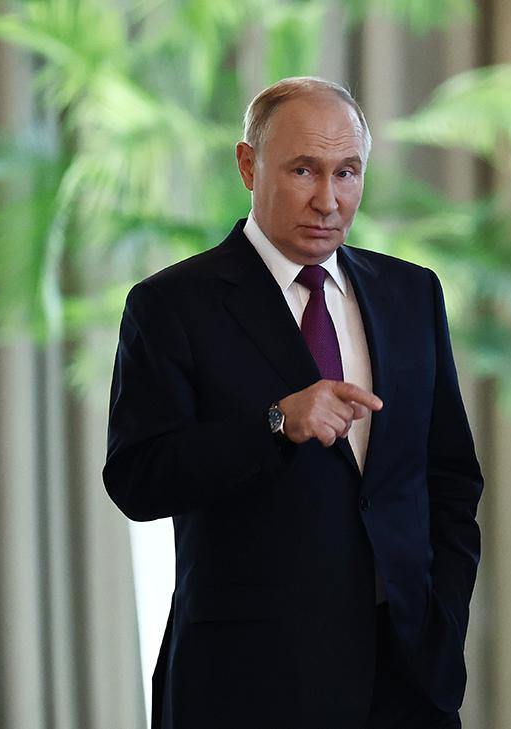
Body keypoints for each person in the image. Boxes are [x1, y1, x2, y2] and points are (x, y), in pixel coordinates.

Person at [103, 77, 483, 729]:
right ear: (248, 166)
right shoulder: (171, 305)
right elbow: (138, 479)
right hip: (249, 683)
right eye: (303, 170)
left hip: (408, 677)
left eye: (347, 172)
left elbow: (449, 476)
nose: (328, 200)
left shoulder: (410, 292)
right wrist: (276, 424)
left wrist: (442, 610)